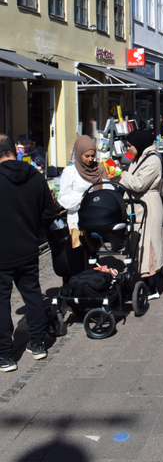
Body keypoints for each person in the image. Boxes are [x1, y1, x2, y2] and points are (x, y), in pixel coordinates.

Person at [0, 134, 57, 371]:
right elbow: (49, 213)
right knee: (33, 295)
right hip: (28, 247)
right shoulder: (35, 175)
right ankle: (38, 344)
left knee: (1, 302)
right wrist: (31, 227)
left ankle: (5, 355)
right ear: (15, 150)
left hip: (2, 253)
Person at [120, 130, 163, 299]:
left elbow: (139, 184)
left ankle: (152, 288)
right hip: (139, 206)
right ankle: (148, 281)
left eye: (130, 146)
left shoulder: (152, 160)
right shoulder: (140, 157)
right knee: (140, 245)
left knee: (149, 245)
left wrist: (123, 175)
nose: (128, 149)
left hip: (149, 206)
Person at [58, 135, 107, 247]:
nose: (90, 159)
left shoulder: (99, 168)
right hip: (78, 219)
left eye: (93, 156)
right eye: (86, 156)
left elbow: (108, 189)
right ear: (79, 154)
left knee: (95, 254)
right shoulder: (70, 172)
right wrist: (81, 199)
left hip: (97, 219)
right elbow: (63, 198)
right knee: (79, 253)